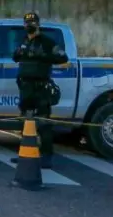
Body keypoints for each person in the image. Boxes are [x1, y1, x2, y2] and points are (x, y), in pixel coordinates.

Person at [9, 12, 68, 169]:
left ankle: (46, 157)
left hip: (40, 87)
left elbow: (63, 58)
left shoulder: (47, 42)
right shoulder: (24, 41)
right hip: (25, 87)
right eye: (27, 23)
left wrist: (44, 56)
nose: (30, 25)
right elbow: (15, 57)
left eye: (33, 23)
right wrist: (19, 52)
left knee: (43, 123)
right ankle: (26, 154)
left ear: (38, 24)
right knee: (26, 122)